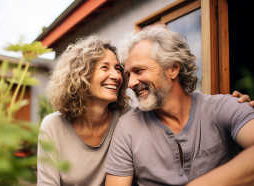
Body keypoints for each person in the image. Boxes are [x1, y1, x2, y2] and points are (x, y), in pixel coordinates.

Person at [105, 25, 254, 186]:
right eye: (128, 75)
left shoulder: (224, 106)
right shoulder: (128, 127)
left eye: (139, 71)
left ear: (173, 69)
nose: (131, 83)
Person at [37, 36, 128, 186]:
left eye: (118, 69)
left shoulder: (126, 119)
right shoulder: (53, 126)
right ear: (82, 74)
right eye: (105, 67)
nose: (116, 76)